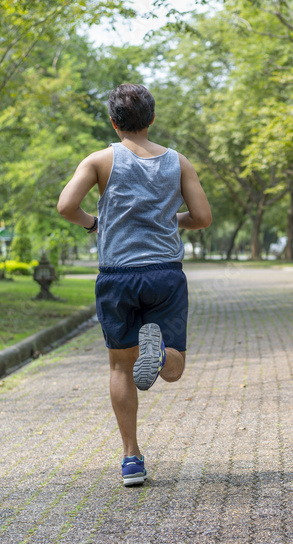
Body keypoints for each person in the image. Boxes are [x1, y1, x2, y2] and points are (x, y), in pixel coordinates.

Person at [56, 84, 212, 487]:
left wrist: (94, 223)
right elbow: (202, 217)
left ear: (113, 121)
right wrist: (170, 221)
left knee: (120, 366)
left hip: (117, 276)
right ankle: (159, 352)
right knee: (173, 369)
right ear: (152, 118)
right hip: (164, 273)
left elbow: (65, 206)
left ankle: (131, 459)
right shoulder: (179, 163)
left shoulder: (99, 160)